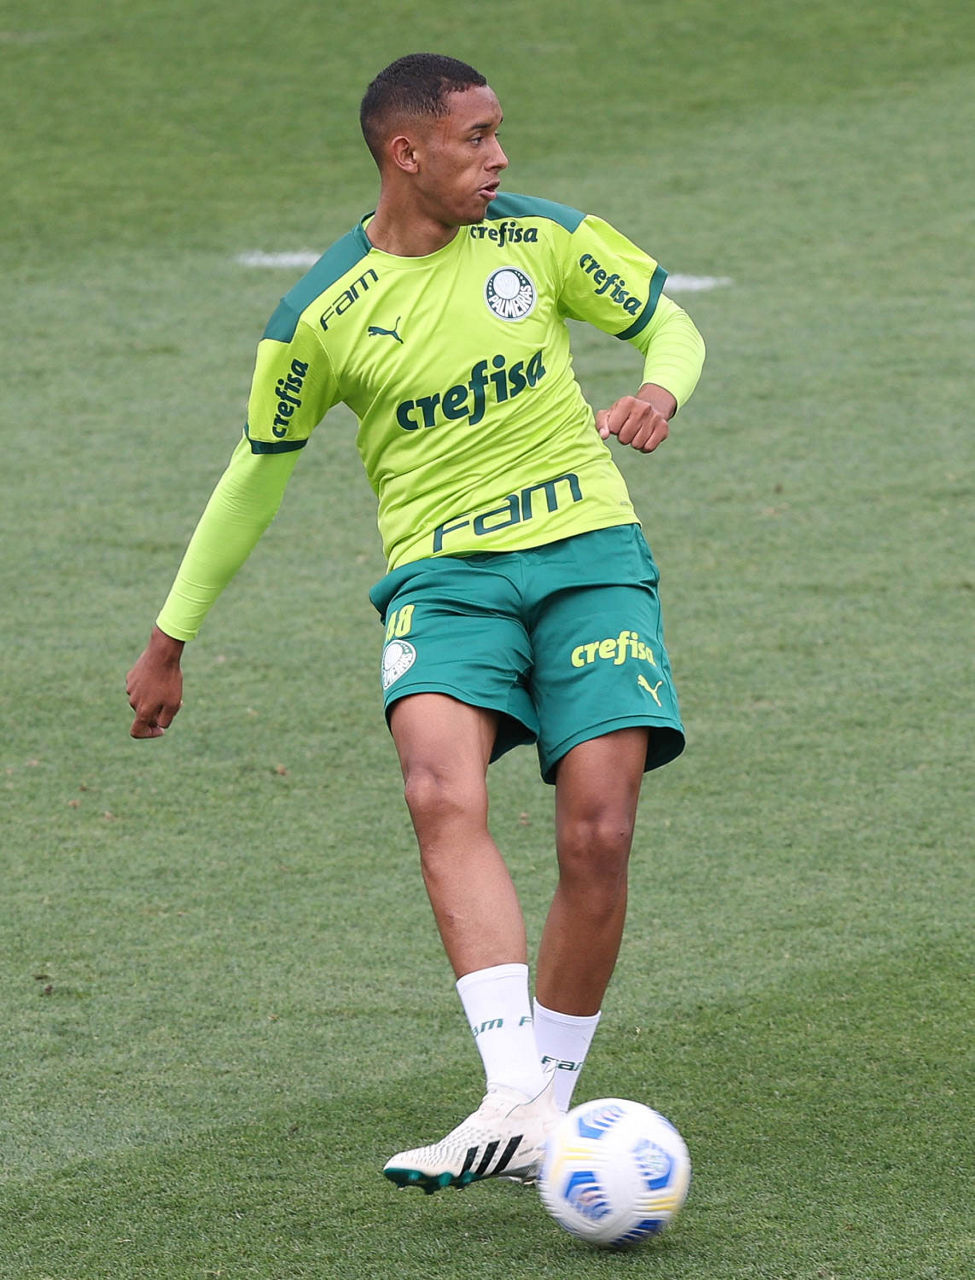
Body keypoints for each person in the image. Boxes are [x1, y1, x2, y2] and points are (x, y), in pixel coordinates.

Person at [126, 52, 705, 1195]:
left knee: (598, 831)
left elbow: (670, 325)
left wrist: (658, 389)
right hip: (444, 581)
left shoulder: (542, 238)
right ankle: (512, 1088)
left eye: (497, 134)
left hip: (589, 554)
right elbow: (254, 477)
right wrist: (169, 637)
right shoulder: (320, 314)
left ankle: (544, 1107)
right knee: (440, 787)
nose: (500, 157)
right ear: (407, 152)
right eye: (476, 138)